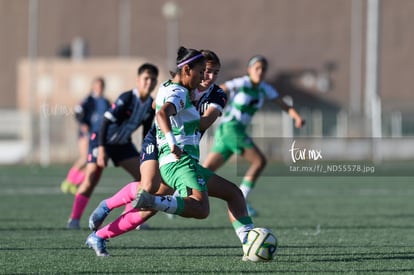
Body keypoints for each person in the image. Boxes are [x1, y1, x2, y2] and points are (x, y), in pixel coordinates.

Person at [85, 48, 254, 259]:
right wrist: (176, 115)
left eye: (215, 73)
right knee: (148, 189)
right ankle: (107, 205)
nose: (208, 77)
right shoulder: (180, 88)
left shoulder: (216, 93)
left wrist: (182, 112)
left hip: (181, 146)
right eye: (206, 71)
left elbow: (203, 122)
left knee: (150, 204)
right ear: (192, 69)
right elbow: (159, 108)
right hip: (160, 141)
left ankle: (99, 236)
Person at [203, 55, 305, 217]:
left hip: (228, 131)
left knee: (204, 172)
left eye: (263, 69)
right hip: (231, 129)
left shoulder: (265, 89)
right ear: (249, 70)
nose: (260, 71)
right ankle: (242, 199)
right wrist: (205, 99)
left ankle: (176, 198)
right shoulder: (243, 82)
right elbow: (222, 88)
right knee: (259, 161)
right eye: (257, 68)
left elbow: (282, 104)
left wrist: (296, 117)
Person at [66, 63, 159, 229]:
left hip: (122, 144)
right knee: (91, 178)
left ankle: (131, 218)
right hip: (101, 140)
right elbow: (105, 122)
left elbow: (146, 133)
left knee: (144, 177)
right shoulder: (127, 98)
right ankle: (74, 220)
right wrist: (101, 148)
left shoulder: (150, 105)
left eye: (153, 79)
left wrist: (148, 156)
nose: (149, 82)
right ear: (138, 80)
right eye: (146, 78)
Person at [61, 77, 111, 195]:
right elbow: (78, 112)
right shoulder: (88, 99)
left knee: (92, 163)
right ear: (93, 87)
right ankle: (68, 181)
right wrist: (83, 123)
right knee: (84, 158)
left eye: (101, 86)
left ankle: (75, 182)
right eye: (97, 86)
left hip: (99, 136)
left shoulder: (106, 102)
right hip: (86, 134)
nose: (99, 89)